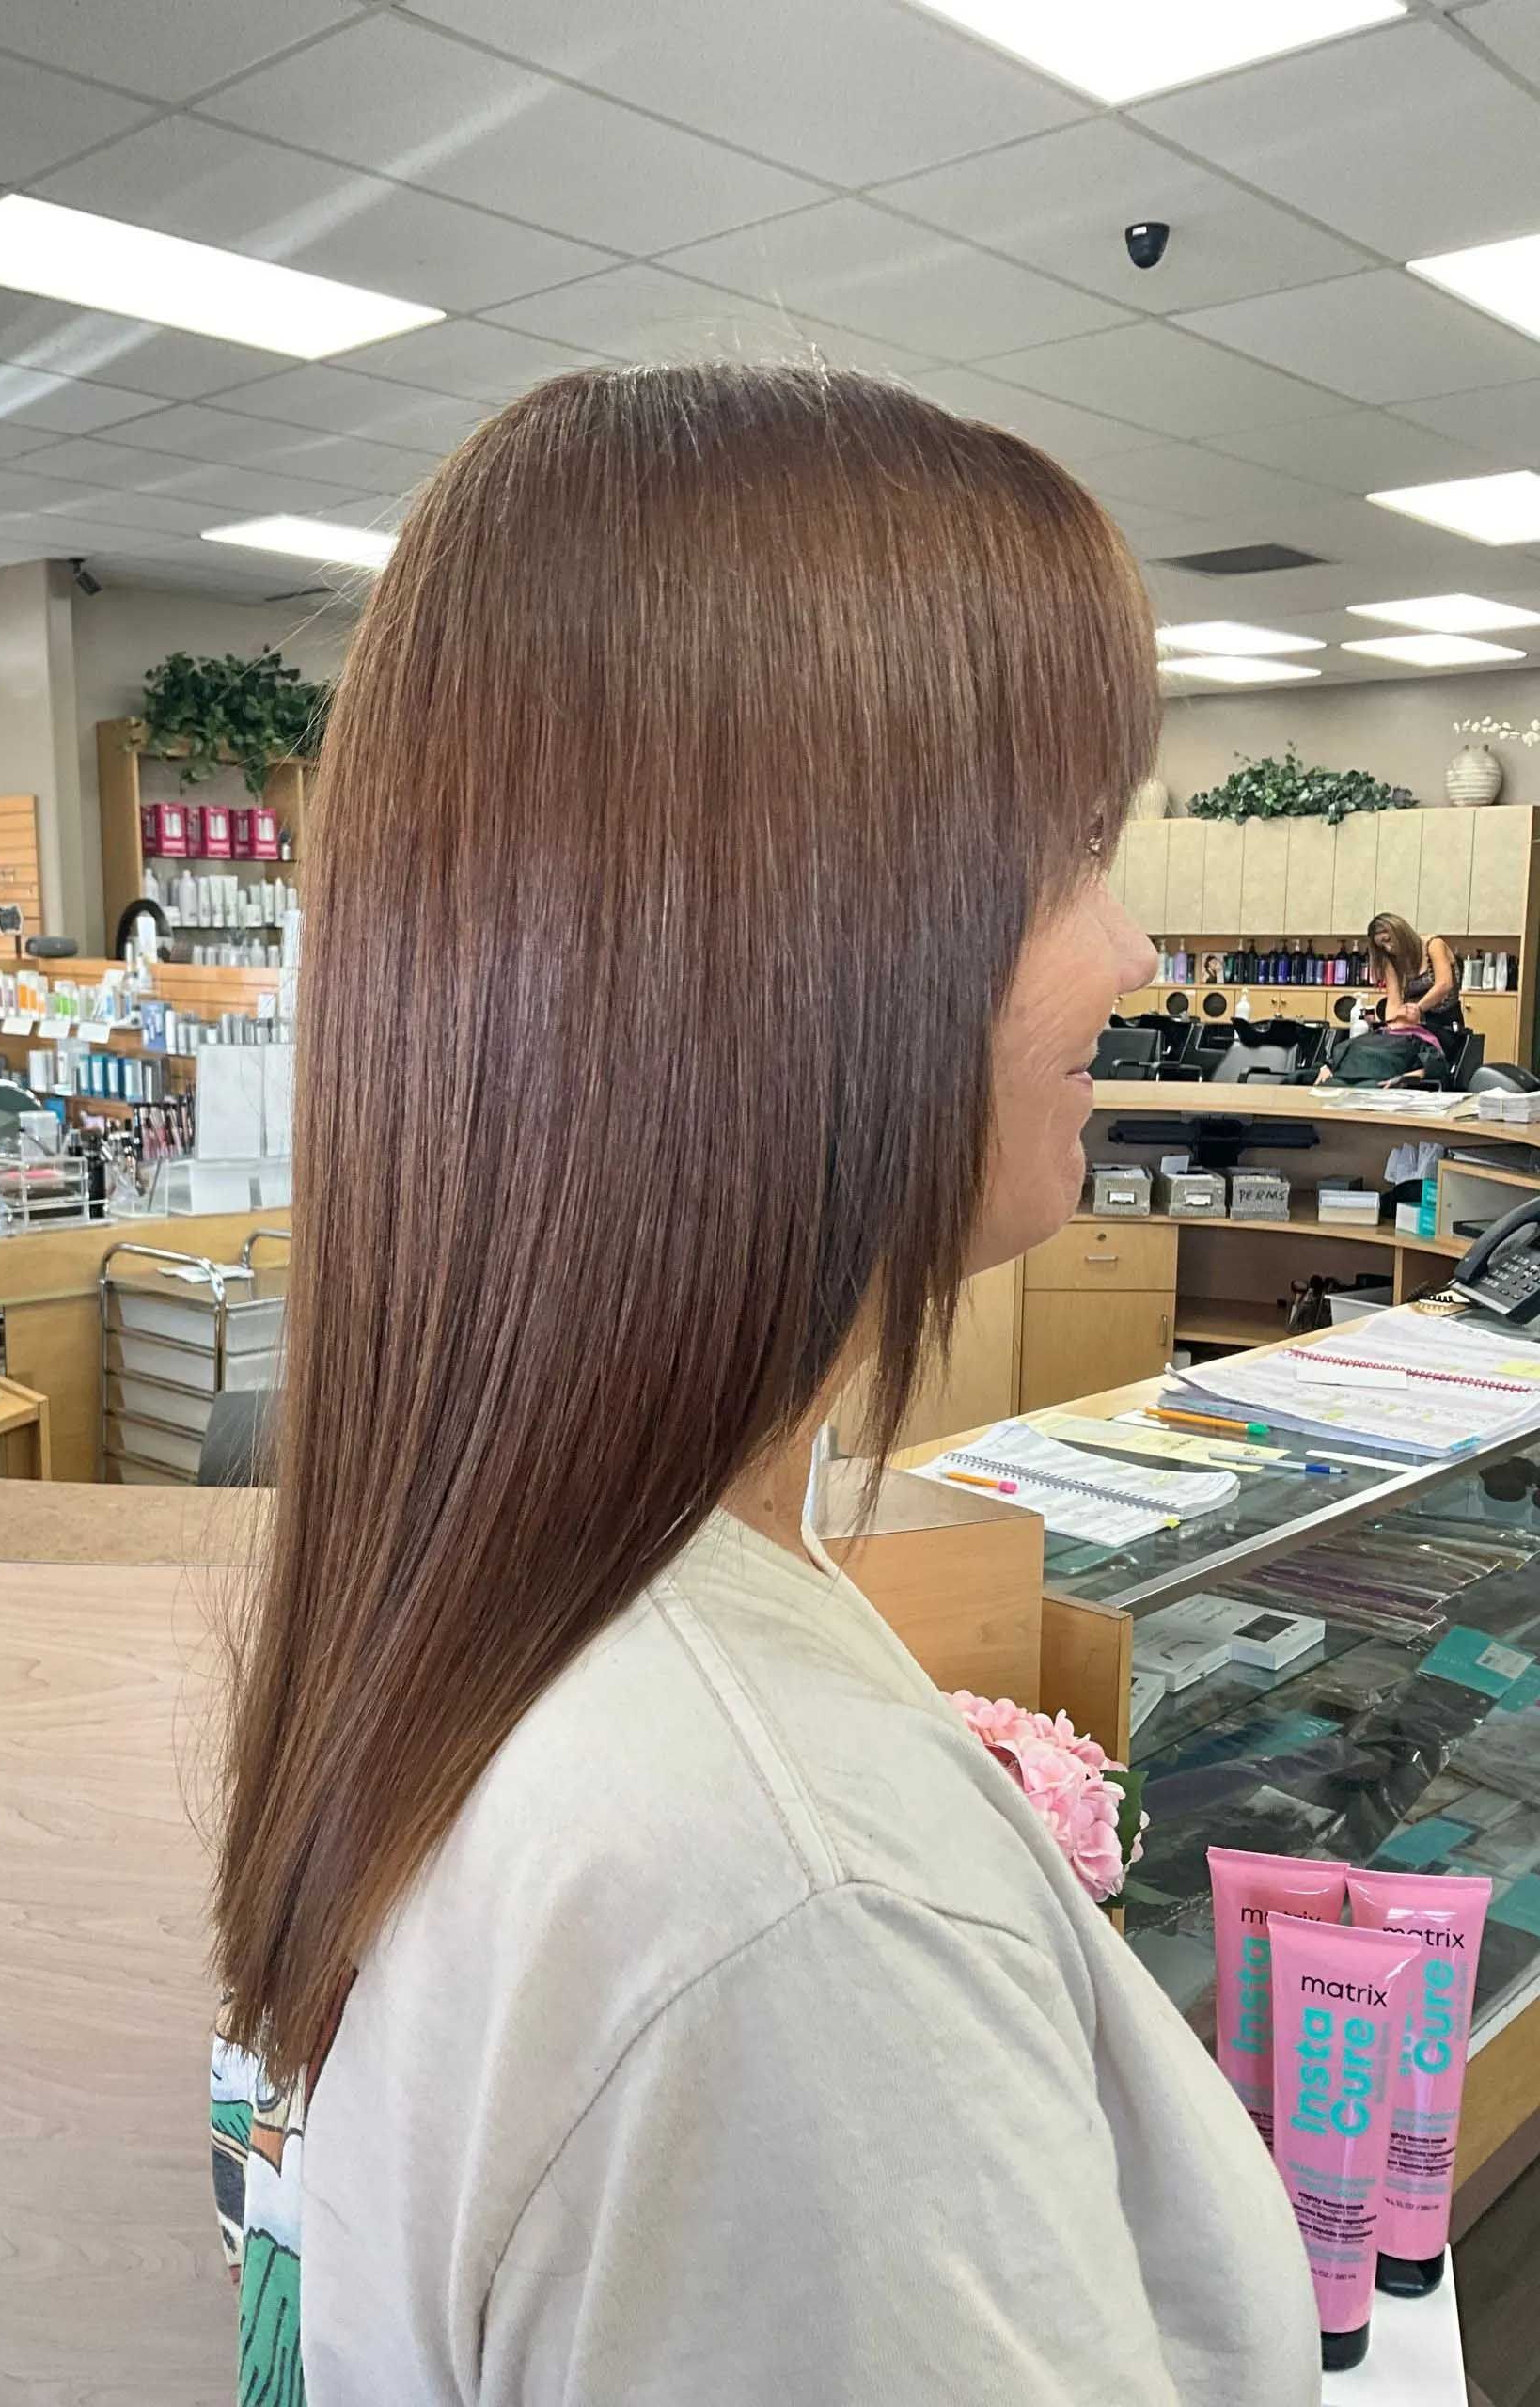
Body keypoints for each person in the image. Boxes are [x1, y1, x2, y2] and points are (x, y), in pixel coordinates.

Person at [212, 364, 1320, 2406]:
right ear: (808, 935)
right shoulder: (796, 1918)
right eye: (1077, 847)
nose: (1136, 949)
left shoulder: (556, 1593)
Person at [1367, 911, 1462, 1047]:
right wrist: (1391, 1026)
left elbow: (1444, 985)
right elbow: (1393, 1001)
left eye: (1387, 940)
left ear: (1400, 932)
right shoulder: (1391, 961)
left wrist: (1416, 1009)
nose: (1388, 948)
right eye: (1382, 946)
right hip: (1413, 1026)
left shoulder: (1433, 945)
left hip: (1445, 1025)